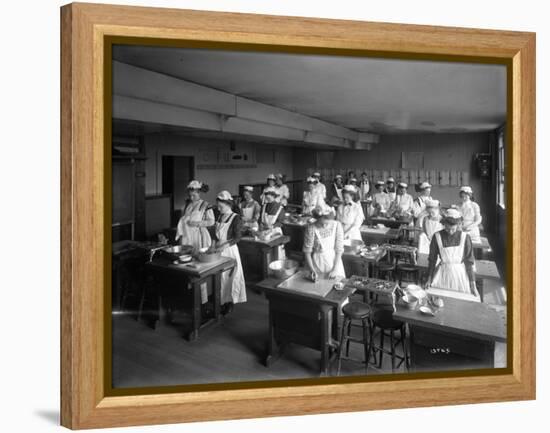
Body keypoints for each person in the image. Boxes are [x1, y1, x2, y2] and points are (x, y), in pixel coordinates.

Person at [425, 208, 479, 298]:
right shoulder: (437, 236)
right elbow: (432, 260)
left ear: (458, 225)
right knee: (438, 300)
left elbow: (469, 262)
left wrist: (472, 284)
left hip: (460, 275)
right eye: (447, 228)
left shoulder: (465, 237)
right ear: (443, 224)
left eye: (453, 229)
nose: (450, 232)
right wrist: (429, 278)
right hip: (442, 274)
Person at [213, 191, 246, 314]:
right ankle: (220, 301)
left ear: (228, 204)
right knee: (220, 277)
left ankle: (229, 302)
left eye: (221, 206)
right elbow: (216, 234)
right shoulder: (220, 216)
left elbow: (238, 237)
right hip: (218, 249)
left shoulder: (235, 218)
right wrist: (213, 245)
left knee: (230, 277)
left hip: (229, 250)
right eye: (218, 206)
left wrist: (225, 245)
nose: (219, 208)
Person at [303, 205, 346, 280]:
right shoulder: (311, 228)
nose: (325, 226)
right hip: (317, 262)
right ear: (317, 219)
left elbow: (339, 249)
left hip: (334, 260)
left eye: (327, 224)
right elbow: (307, 251)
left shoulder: (337, 226)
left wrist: (335, 269)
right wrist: (312, 270)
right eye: (322, 223)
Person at [175, 180, 214, 249]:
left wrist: (196, 223)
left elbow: (211, 221)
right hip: (187, 235)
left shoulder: (205, 205)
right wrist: (181, 236)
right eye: (189, 195)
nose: (191, 198)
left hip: (199, 235)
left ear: (199, 193)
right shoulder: (186, 206)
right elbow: (182, 222)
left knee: (198, 255)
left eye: (194, 195)